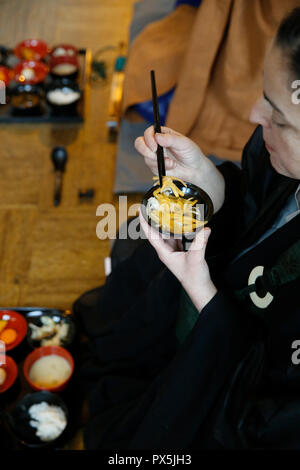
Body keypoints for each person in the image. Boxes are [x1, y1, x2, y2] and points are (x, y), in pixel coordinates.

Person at [74, 8, 300, 450]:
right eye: (263, 94)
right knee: (131, 246)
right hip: (206, 313)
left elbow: (257, 422)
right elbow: (258, 199)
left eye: (280, 116)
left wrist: (207, 303)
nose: (254, 113)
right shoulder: (286, 157)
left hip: (216, 394)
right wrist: (212, 188)